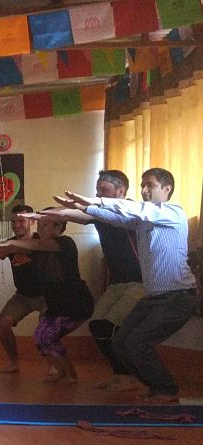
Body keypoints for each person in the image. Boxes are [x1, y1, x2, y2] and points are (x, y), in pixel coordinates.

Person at [54, 168, 199, 403]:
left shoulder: (174, 212)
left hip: (178, 298)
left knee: (137, 342)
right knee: (120, 341)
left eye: (150, 185)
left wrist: (95, 200)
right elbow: (114, 217)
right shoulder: (142, 222)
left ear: (167, 189)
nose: (143, 190)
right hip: (155, 298)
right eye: (143, 185)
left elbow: (133, 208)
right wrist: (82, 208)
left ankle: (167, 390)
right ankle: (151, 385)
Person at [31, 171, 144, 391]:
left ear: (121, 191)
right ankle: (120, 374)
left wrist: (62, 213)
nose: (98, 194)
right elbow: (75, 214)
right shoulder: (100, 214)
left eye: (104, 190)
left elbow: (83, 213)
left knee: (110, 327)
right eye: (97, 189)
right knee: (98, 326)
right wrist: (44, 215)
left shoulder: (132, 211)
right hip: (116, 283)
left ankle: (131, 377)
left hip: (139, 282)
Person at [0, 210, 94, 384]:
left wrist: (11, 244)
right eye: (40, 224)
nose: (41, 229)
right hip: (56, 303)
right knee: (41, 336)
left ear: (58, 227)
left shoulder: (64, 242)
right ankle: (61, 371)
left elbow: (35, 245)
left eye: (45, 225)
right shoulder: (40, 246)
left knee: (48, 336)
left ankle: (71, 374)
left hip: (75, 303)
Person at [0, 205, 46, 374]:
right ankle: (14, 362)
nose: (16, 225)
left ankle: (54, 364)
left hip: (46, 296)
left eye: (21, 220)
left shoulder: (42, 241)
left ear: (32, 221)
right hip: (22, 296)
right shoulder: (10, 243)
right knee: (3, 323)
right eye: (13, 221)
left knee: (45, 330)